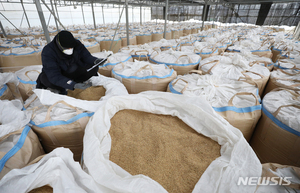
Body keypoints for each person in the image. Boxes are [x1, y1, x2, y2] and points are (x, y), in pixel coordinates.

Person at [36, 30, 106, 95]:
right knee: (47, 80)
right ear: (59, 45)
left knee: (93, 67)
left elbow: (86, 56)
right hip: (59, 74)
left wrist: (95, 61)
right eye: (67, 48)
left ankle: (76, 81)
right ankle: (66, 85)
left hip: (72, 69)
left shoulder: (76, 44)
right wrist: (72, 85)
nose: (70, 49)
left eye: (71, 47)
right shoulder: (48, 51)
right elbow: (54, 75)